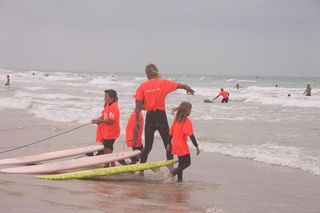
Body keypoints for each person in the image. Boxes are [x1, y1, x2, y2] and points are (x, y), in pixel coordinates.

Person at [134, 63, 194, 176]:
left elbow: (138, 103)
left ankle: (141, 171)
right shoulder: (164, 83)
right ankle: (171, 170)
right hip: (160, 117)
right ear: (157, 71)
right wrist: (189, 89)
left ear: (147, 74)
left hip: (150, 117)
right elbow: (181, 85)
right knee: (168, 144)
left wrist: (137, 119)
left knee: (147, 147)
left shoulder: (142, 86)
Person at [166, 102, 200, 182]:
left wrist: (168, 143)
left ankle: (180, 180)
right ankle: (173, 173)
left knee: (181, 164)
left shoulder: (176, 119)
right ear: (187, 111)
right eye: (190, 109)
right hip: (182, 145)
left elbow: (171, 132)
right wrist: (196, 146)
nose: (191, 111)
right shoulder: (187, 121)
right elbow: (191, 135)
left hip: (175, 144)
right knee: (187, 163)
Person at [91, 89, 120, 167]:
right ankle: (107, 164)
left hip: (112, 132)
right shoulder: (108, 105)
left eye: (106, 97)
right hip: (106, 132)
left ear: (112, 98)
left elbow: (111, 121)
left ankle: (112, 165)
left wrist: (101, 121)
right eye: (105, 97)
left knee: (107, 149)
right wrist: (97, 120)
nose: (104, 98)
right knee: (107, 148)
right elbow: (104, 115)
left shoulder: (114, 107)